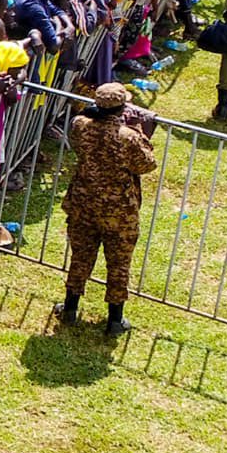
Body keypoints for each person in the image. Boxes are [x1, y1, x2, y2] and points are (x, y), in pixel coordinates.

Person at [59, 86, 163, 336]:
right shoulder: (127, 136)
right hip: (119, 211)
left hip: (83, 202)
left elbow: (79, 141)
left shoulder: (80, 125)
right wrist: (141, 130)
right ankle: (115, 319)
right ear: (122, 108)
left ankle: (70, 308)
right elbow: (147, 164)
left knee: (80, 256)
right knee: (118, 263)